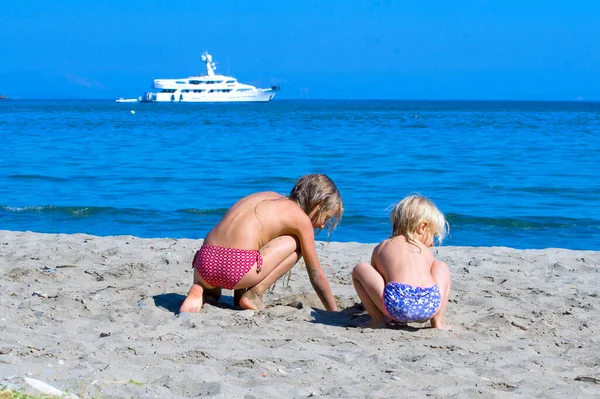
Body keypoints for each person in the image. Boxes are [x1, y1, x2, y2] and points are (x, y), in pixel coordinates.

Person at [180, 174, 344, 313]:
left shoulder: (267, 196)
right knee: (297, 242)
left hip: (203, 261)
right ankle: (254, 295)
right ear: (317, 205)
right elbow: (316, 275)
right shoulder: (301, 220)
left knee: (217, 287)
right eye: (326, 217)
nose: (322, 225)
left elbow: (245, 242)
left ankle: (200, 288)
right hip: (235, 269)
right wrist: (333, 312)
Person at [352, 195, 451, 329]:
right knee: (441, 266)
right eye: (433, 235)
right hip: (430, 305)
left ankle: (378, 320)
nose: (432, 243)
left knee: (361, 268)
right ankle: (438, 321)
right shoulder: (426, 252)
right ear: (422, 227)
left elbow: (378, 281)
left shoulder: (383, 246)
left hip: (396, 305)